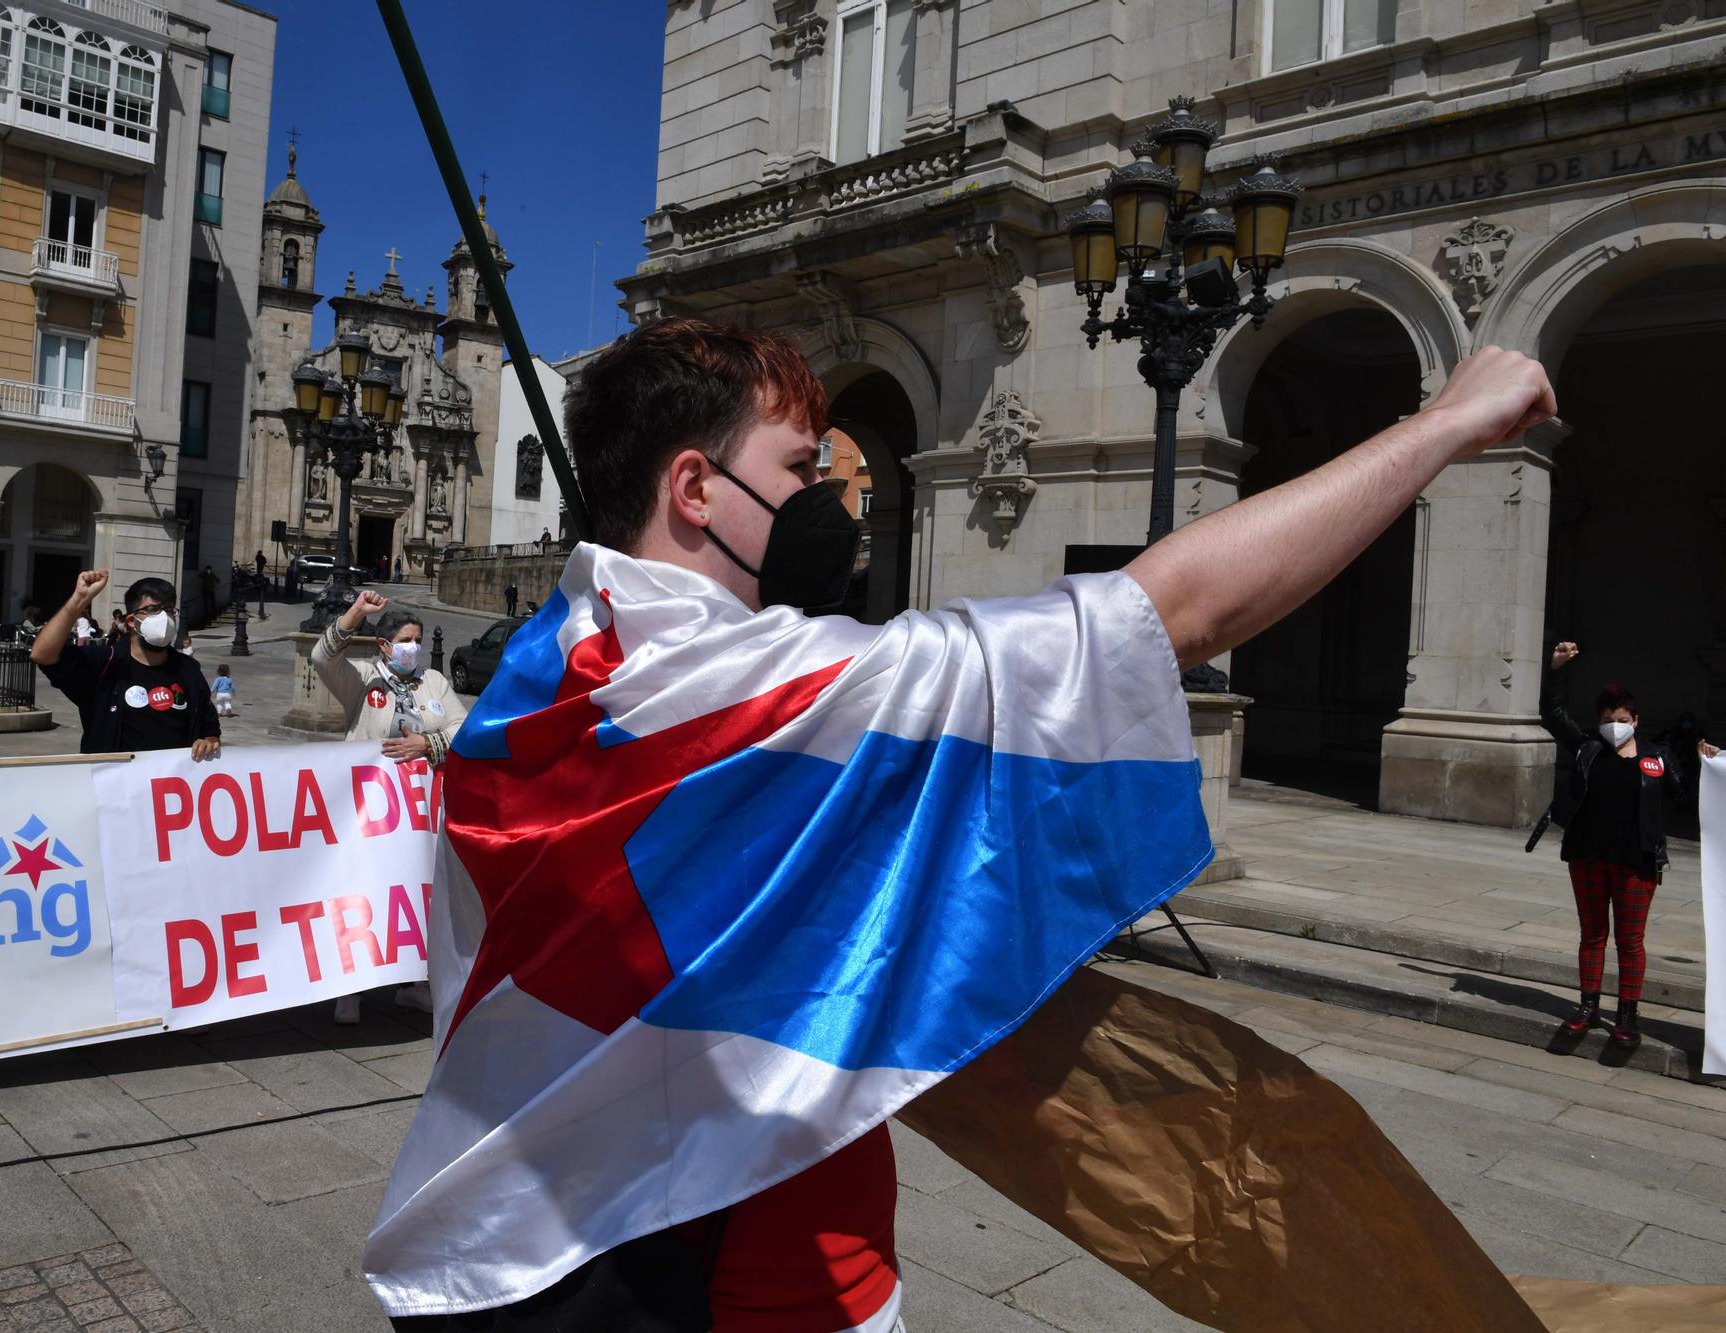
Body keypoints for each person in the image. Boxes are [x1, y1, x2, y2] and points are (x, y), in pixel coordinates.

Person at [363, 319, 1558, 1332]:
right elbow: (1167, 613)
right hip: (695, 1252)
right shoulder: (757, 696)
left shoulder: (537, 680)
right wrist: (1444, 422)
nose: (830, 502)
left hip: (488, 1240)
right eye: (796, 471)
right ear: (691, 489)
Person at [1538, 641, 1717, 1047]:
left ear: (1635, 720)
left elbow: (1685, 801)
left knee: (1631, 942)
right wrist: (1555, 669)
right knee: (1592, 934)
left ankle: (1627, 1016)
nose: (1613, 724)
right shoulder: (1587, 749)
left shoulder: (1658, 756)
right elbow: (1552, 714)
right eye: (1606, 718)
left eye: (1620, 718)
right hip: (1587, 857)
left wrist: (1708, 766)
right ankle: (1587, 1006)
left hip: (1636, 863)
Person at [311, 588, 465, 1026]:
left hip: (420, 815)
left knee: (415, 896)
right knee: (363, 893)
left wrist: (428, 743)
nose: (414, 647)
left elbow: (462, 727)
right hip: (368, 812)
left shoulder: (433, 683)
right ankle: (350, 991)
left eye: (418, 639)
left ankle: (416, 985)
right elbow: (322, 659)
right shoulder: (362, 678)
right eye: (406, 639)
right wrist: (355, 613)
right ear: (384, 645)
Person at [30, 571, 221, 761]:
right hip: (116, 785)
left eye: (170, 610)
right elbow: (42, 654)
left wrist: (209, 742)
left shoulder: (188, 669)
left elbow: (209, 725)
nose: (165, 618)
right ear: (131, 621)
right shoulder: (105, 663)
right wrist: (79, 600)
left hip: (170, 786)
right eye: (154, 610)